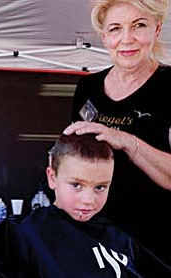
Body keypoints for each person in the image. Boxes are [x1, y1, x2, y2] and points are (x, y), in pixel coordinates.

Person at [62, 0, 171, 266]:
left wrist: (126, 141)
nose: (127, 39)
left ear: (157, 29)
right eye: (115, 29)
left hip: (155, 249)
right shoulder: (87, 88)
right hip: (95, 244)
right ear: (104, 37)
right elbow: (74, 162)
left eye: (139, 25)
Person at [0, 134, 171, 277]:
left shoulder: (121, 239)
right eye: (76, 185)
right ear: (52, 177)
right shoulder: (23, 234)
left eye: (100, 187)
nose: (88, 200)